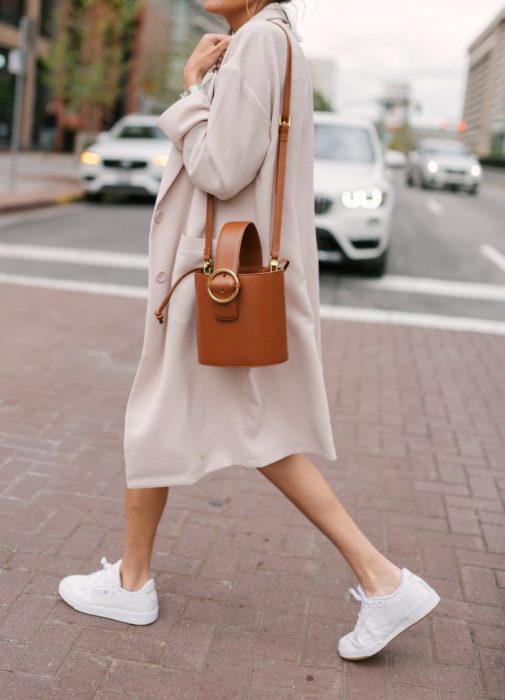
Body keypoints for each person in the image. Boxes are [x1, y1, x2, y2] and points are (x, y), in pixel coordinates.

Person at [58, 0, 440, 661]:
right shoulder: (268, 40)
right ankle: (132, 577)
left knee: (208, 423)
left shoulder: (260, 43)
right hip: (221, 271)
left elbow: (221, 169)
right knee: (168, 418)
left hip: (214, 277)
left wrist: (185, 93)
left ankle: (382, 578)